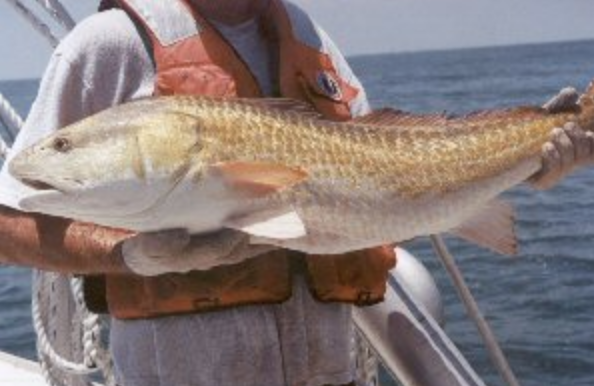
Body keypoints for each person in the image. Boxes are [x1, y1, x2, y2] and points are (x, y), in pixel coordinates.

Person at [0, 1, 592, 385]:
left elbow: (385, 185)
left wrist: (532, 163)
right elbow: (7, 223)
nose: (59, 158)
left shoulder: (306, 34)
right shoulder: (106, 45)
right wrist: (124, 254)